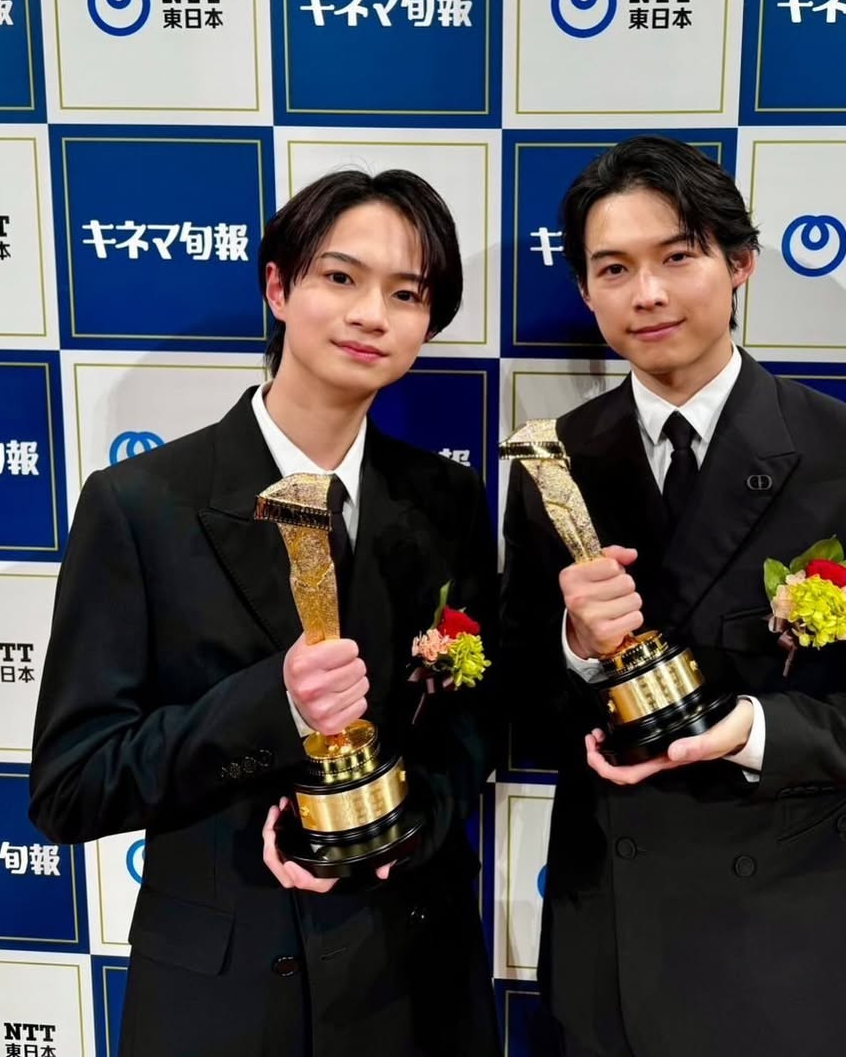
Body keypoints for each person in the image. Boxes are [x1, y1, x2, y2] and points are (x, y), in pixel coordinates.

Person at [500, 136, 846, 1057]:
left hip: (786, 956)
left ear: (740, 264)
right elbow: (517, 715)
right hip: (609, 953)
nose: (647, 293)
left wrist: (755, 731)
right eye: (614, 269)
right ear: (586, 292)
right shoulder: (552, 462)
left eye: (677, 256)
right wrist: (574, 646)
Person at [30, 169, 501, 1057]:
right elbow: (72, 785)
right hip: (226, 993)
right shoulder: (140, 504)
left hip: (417, 978)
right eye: (341, 277)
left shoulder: (447, 500)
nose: (371, 314)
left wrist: (405, 828)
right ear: (279, 288)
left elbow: (473, 725)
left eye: (406, 294)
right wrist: (271, 705)